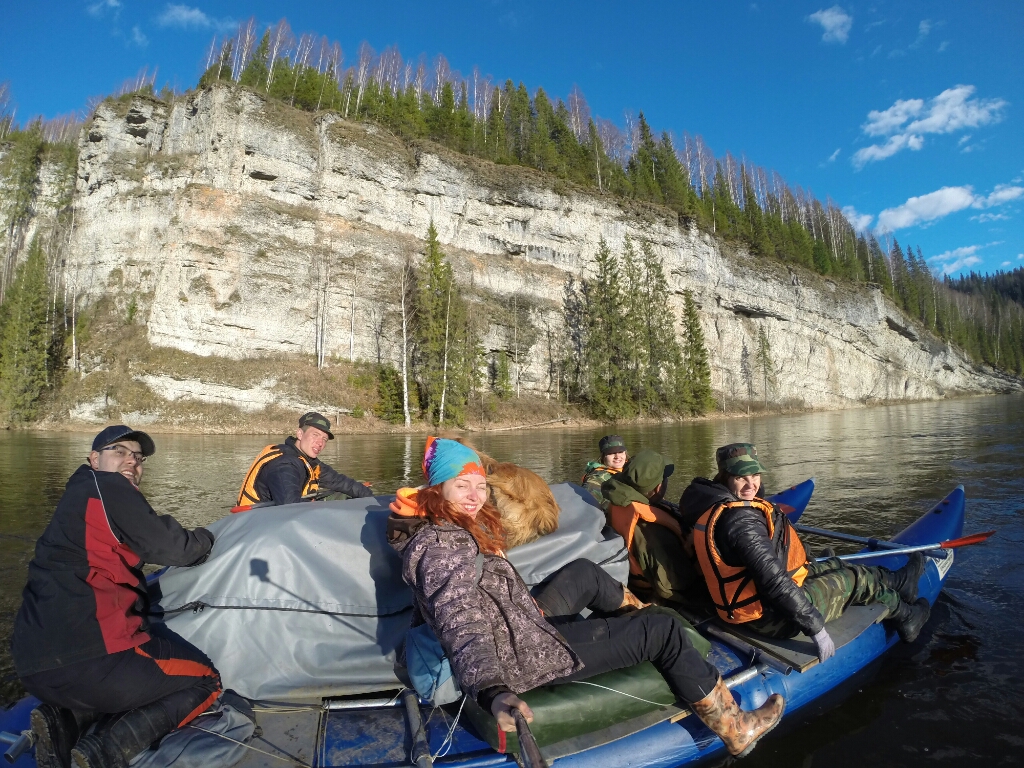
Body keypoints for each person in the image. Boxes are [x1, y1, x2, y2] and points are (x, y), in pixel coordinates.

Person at [386, 437, 785, 758]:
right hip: (519, 658)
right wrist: (492, 689)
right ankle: (737, 729)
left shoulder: (450, 525)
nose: (474, 496)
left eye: (478, 486)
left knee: (589, 578)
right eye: (461, 485)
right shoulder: (441, 547)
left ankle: (646, 631)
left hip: (521, 628)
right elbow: (461, 620)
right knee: (662, 628)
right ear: (436, 488)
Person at [11, 425, 221, 768]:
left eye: (138, 457)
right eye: (120, 452)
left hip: (35, 668)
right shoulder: (108, 486)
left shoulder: (76, 496)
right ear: (94, 459)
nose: (132, 462)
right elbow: (176, 548)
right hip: (95, 661)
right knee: (206, 678)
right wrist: (209, 536)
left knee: (114, 677)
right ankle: (104, 749)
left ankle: (62, 723)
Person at [680, 443, 930, 663]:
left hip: (760, 598)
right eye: (740, 477)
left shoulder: (716, 504)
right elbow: (775, 582)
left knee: (834, 563)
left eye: (755, 474)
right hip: (770, 616)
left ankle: (900, 582)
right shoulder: (741, 523)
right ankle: (907, 617)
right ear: (724, 478)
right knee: (856, 579)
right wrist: (816, 629)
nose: (751, 484)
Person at [603, 449, 700, 605]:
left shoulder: (619, 502)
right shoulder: (653, 531)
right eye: (665, 477)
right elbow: (670, 587)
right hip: (655, 593)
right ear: (658, 487)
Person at [236, 411, 373, 507]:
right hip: (256, 524)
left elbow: (341, 482)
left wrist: (371, 499)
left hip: (281, 514)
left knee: (345, 494)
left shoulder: (310, 462)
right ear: (300, 434)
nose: (320, 443)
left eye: (324, 439)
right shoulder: (284, 465)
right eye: (315, 435)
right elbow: (290, 507)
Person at [580, 434, 628, 512]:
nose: (617, 456)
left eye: (620, 452)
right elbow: (588, 504)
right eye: (611, 453)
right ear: (603, 456)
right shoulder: (595, 478)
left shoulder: (632, 469)